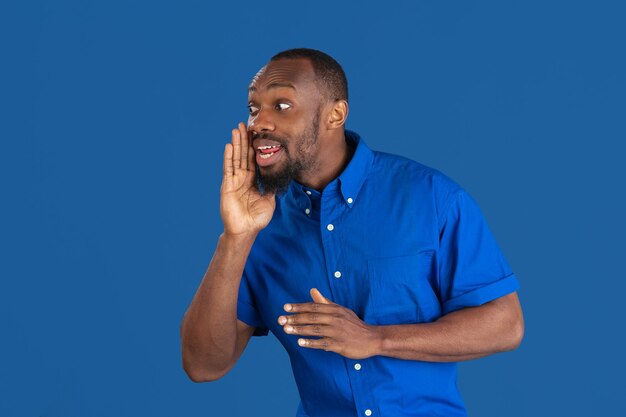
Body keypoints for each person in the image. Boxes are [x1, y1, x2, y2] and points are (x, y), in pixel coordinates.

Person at [180, 48, 524, 417]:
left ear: (335, 114)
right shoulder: (260, 226)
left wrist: (376, 339)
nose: (258, 123)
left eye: (281, 106)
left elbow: (505, 325)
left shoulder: (431, 197)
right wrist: (235, 238)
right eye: (253, 108)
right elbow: (203, 365)